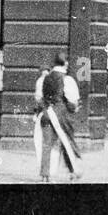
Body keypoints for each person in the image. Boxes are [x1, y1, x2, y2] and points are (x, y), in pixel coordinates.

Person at [34, 52, 82, 182]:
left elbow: (39, 98)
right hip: (61, 116)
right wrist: (73, 107)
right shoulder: (67, 79)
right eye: (67, 63)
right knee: (67, 141)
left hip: (46, 115)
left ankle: (45, 174)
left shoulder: (43, 79)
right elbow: (72, 103)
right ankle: (73, 171)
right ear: (65, 63)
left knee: (46, 144)